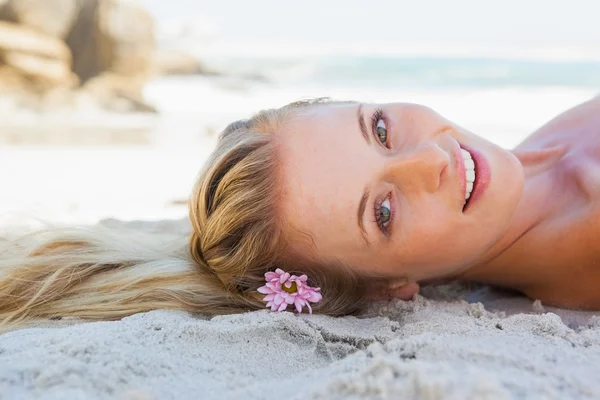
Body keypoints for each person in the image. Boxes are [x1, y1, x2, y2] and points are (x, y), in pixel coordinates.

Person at [2, 95, 600, 332]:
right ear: (394, 287)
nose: (429, 160)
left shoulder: (547, 152)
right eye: (384, 212)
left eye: (381, 129)